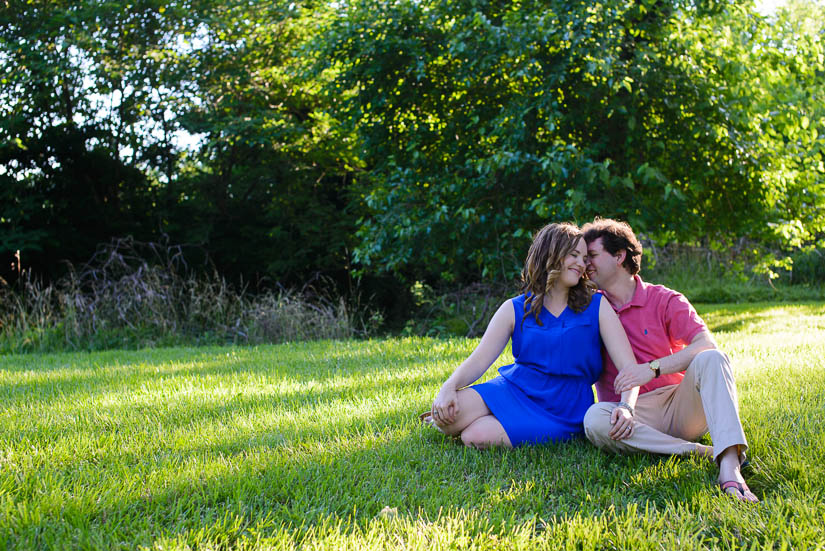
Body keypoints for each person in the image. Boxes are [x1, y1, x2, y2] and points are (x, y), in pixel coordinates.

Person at [580, 218, 758, 503]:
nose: (585, 264)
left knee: (712, 358)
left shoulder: (663, 299)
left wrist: (651, 370)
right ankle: (700, 452)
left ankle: (729, 464)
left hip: (679, 405)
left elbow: (705, 344)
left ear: (618, 256)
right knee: (593, 419)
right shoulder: (589, 308)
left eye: (592, 256)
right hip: (630, 416)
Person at [423, 222, 644, 449]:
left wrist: (627, 407)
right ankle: (485, 414)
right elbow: (479, 360)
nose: (582, 263)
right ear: (551, 255)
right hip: (515, 388)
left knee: (474, 436)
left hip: (566, 406)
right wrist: (448, 387)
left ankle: (492, 420)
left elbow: (629, 368)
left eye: (585, 257)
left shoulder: (597, 305)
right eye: (574, 255)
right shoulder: (515, 308)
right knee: (446, 419)